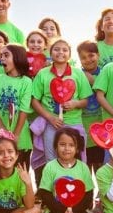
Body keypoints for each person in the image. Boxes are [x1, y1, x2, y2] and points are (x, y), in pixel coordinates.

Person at [31, 39, 92, 173]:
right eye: (57, 49)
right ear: (51, 52)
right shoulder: (43, 74)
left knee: (78, 160)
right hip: (51, 125)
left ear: (70, 54)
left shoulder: (78, 74)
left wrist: (75, 103)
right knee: (51, 160)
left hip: (74, 123)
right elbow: (34, 100)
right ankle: (54, 191)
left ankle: (76, 188)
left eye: (65, 50)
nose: (61, 52)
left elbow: (85, 100)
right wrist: (50, 117)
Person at [37, 127, 95, 213]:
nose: (66, 148)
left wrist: (75, 211)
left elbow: (88, 194)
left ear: (77, 148)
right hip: (56, 209)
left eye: (71, 145)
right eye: (62, 144)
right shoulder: (50, 167)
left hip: (78, 209)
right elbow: (45, 194)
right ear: (56, 146)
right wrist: (63, 211)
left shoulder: (83, 167)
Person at [0, 44, 33, 165]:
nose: (2, 59)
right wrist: (1, 127)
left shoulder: (26, 81)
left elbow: (24, 109)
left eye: (6, 55)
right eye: (1, 56)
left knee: (19, 171)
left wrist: (16, 134)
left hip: (20, 133)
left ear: (17, 58)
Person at [77, 40, 104, 174]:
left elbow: (108, 95)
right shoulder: (77, 75)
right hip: (84, 131)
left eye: (91, 55)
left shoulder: (105, 73)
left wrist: (93, 81)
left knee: (101, 169)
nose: (88, 60)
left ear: (98, 55)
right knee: (85, 170)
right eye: (83, 57)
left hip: (101, 130)